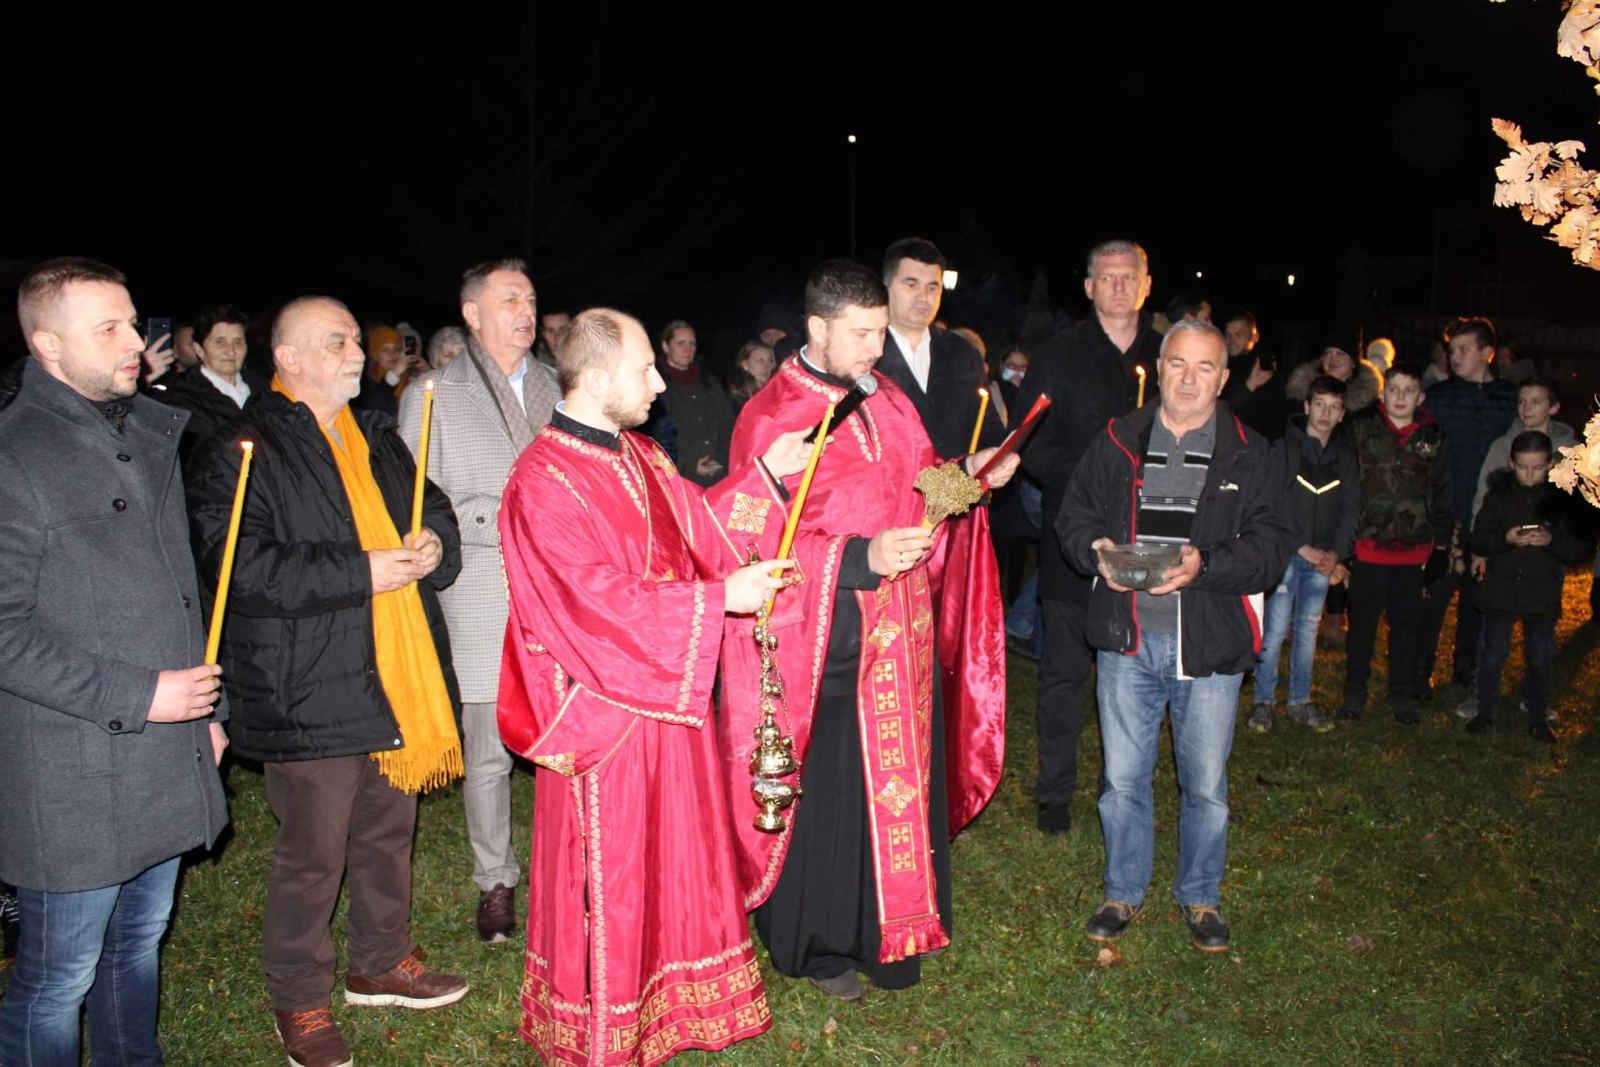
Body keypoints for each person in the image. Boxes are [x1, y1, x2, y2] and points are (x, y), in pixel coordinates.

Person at [496, 308, 809, 1066]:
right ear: (597, 377)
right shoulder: (543, 479)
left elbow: (700, 532)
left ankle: (681, 1005)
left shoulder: (644, 456)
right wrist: (713, 602)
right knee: (619, 878)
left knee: (676, 864)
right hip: (606, 717)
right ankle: (607, 1027)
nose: (655, 382)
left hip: (671, 695)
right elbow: (587, 599)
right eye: (642, 370)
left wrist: (766, 476)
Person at [714, 258, 1016, 1001]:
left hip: (899, 631)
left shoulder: (885, 398)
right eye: (860, 334)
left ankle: (892, 931)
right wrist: (860, 555)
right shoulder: (774, 413)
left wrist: (970, 473)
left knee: (896, 785)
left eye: (881, 331)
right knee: (834, 794)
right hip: (824, 637)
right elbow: (748, 536)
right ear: (816, 328)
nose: (876, 349)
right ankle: (819, 944)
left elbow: (921, 480)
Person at [189, 295, 469, 1067]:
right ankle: (300, 998)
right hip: (307, 680)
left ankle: (381, 959)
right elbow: (239, 569)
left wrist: (433, 546)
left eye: (355, 339)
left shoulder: (376, 436)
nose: (358, 351)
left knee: (388, 828)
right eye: (338, 341)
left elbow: (432, 507)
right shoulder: (244, 446)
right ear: (288, 358)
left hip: (393, 670)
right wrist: (366, 570)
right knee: (314, 852)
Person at [0, 257, 229, 1064]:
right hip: (69, 768)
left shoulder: (142, 432)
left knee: (137, 947)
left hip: (163, 748)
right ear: (47, 345)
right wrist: (144, 694)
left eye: (134, 321)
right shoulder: (15, 456)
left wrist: (207, 713)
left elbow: (181, 596)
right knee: (58, 978)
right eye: (111, 328)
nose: (139, 340)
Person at [1060, 318, 1294, 954]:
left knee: (1207, 787)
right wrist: (1095, 549)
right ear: (1159, 367)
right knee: (1123, 781)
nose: (1189, 379)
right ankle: (1122, 889)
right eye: (1177, 364)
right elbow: (1073, 514)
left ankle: (1200, 895)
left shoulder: (1252, 450)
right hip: (1128, 638)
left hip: (1209, 644)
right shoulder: (1117, 440)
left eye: (1205, 368)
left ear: (1224, 377)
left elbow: (1273, 548)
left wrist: (1207, 566)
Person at [398, 257, 560, 945]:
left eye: (529, 297)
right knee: (489, 746)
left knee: (563, 739)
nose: (525, 310)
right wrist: (508, 514)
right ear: (471, 313)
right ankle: (496, 878)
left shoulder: (557, 386)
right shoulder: (432, 391)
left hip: (556, 588)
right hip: (482, 588)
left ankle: (569, 868)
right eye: (508, 299)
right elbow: (414, 507)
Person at [1016, 238, 1162, 836]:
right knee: (1064, 671)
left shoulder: (1169, 353)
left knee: (1133, 671)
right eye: (1108, 277)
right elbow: (1031, 443)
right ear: (1088, 286)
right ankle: (1055, 792)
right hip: (1072, 538)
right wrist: (1089, 484)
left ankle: (1121, 786)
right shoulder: (1058, 355)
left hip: (1150, 536)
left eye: (1130, 276)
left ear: (1146, 284)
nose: (1120, 286)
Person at [1340, 361, 1452, 723]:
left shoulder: (1434, 439)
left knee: (1406, 628)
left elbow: (1443, 493)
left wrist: (1441, 547)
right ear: (1382, 393)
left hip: (1413, 552)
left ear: (1420, 396)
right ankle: (1355, 692)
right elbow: (1346, 488)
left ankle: (1401, 693)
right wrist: (1345, 543)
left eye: (1408, 390)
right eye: (1393, 389)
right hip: (1368, 549)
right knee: (1361, 627)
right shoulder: (1359, 432)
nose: (1400, 397)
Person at [1247, 375, 1358, 733]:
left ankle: (1299, 701)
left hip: (1322, 561)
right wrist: (1301, 547)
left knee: (1308, 630)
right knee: (1275, 630)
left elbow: (1350, 508)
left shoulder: (1344, 458)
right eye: (1320, 405)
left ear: (1342, 414)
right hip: (1286, 556)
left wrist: (1336, 553)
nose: (1326, 414)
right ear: (1307, 406)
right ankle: (1263, 702)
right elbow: (1274, 504)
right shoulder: (1285, 449)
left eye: (1335, 408)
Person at [1414, 317, 1518, 699]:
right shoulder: (1440, 397)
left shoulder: (1509, 398)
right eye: (1452, 349)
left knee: (1478, 592)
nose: (1455, 356)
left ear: (1487, 353)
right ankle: (1420, 668)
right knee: (1436, 591)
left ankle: (1466, 665)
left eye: (1464, 349)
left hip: (1489, 513)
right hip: (1446, 511)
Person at [1467, 431, 1587, 741]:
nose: (1530, 475)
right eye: (1523, 467)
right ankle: (1484, 711)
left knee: (1539, 657)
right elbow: (1479, 538)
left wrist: (1550, 540)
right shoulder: (1499, 496)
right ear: (1511, 463)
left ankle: (1537, 715)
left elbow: (1577, 549)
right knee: (1493, 654)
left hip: (1540, 594)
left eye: (1537, 467)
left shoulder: (1561, 499)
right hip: (1500, 591)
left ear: (1550, 463)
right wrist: (1505, 539)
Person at [877, 237, 1005, 459]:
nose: (923, 297)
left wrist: (995, 459)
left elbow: (988, 428)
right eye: (911, 284)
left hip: (957, 489)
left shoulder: (963, 353)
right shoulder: (866, 354)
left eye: (932, 287)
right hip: (891, 491)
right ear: (886, 287)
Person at [153, 303, 262, 462]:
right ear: (199, 349)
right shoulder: (177, 400)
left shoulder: (266, 391)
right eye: (220, 342)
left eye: (238, 342)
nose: (231, 351)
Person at [1471, 377, 1575, 521]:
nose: (1526, 408)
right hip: (1507, 533)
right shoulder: (1502, 446)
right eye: (1522, 401)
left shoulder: (1570, 451)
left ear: (1554, 407)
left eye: (1536, 402)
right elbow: (1484, 494)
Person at [651, 318, 734, 487]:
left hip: (719, 478)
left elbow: (728, 425)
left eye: (692, 343)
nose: (688, 349)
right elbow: (654, 440)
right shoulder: (655, 386)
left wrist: (720, 458)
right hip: (680, 483)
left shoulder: (709, 382)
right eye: (681, 343)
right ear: (666, 346)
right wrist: (686, 465)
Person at [1221, 311, 1287, 439]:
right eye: (1228, 334)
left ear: (1254, 337)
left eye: (1238, 335)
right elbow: (1217, 410)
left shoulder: (1264, 368)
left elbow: (1276, 419)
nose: (1231, 340)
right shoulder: (1220, 365)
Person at [1284, 336, 1383, 416]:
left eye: (1341, 354)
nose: (1332, 360)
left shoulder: (1369, 405)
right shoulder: (1301, 396)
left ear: (1354, 362)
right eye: (1328, 353)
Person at [354, 324, 418, 416]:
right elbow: (375, 405)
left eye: (397, 349)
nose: (392, 354)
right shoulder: (365, 383)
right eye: (385, 350)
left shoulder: (410, 378)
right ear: (375, 354)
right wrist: (394, 373)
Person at [727, 338, 777, 413]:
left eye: (770, 361)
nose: (766, 366)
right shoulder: (735, 400)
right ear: (745, 364)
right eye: (760, 361)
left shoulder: (776, 393)